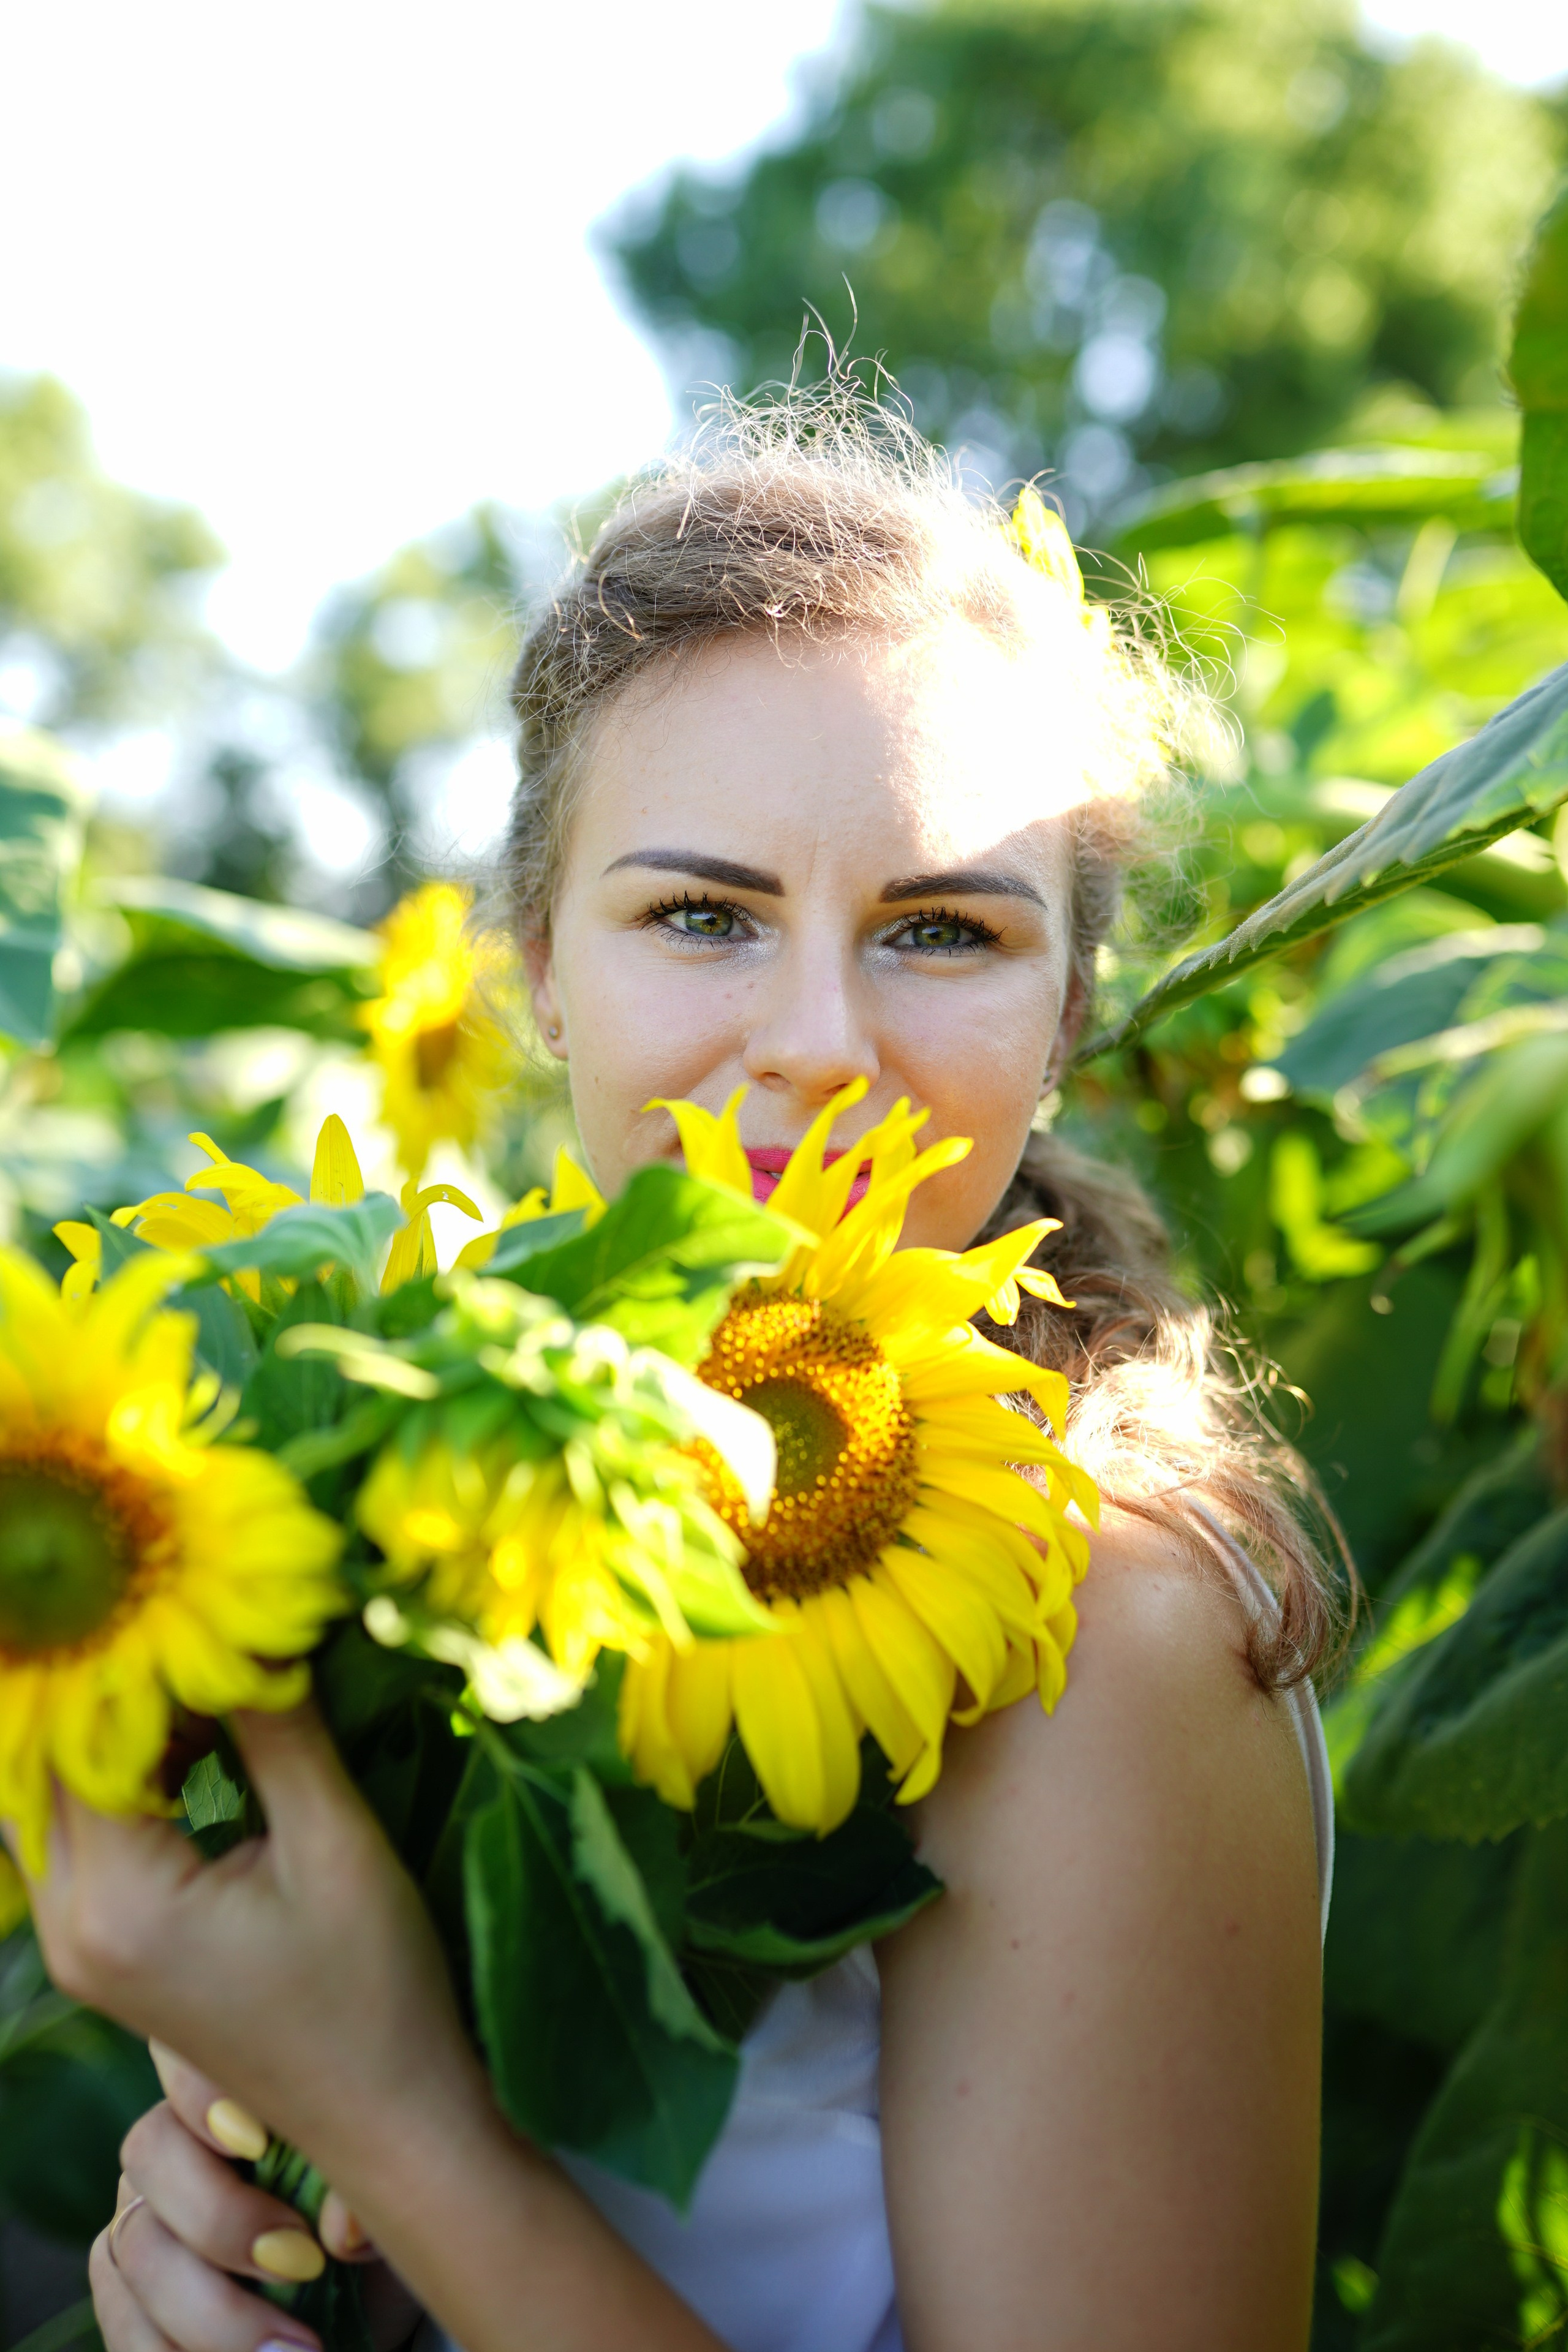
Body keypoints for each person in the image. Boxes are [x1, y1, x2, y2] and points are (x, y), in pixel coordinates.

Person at [10, 391, 1340, 2352]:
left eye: (940, 931)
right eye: (704, 915)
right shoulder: (460, 1506)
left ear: (1067, 1010)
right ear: (542, 965)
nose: (816, 1041)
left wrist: (395, 2119)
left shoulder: (1102, 1631)